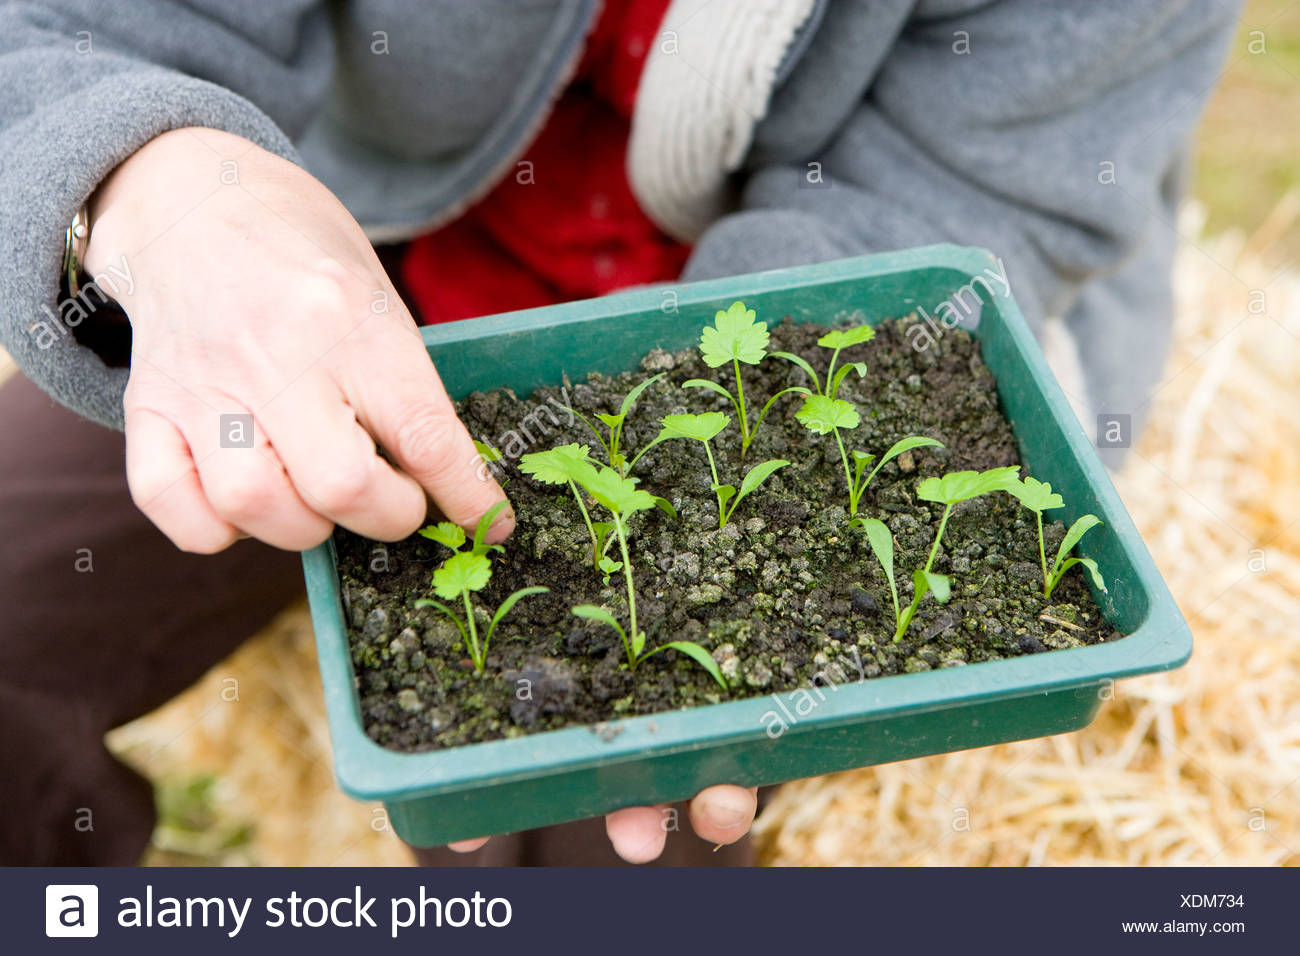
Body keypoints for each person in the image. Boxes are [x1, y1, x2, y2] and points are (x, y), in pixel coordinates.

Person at [0, 0, 1238, 865]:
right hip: (331, 266)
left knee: (605, 849)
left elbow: (946, 212)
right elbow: (81, 27)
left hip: (760, 300)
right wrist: (165, 187)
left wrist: (710, 559)